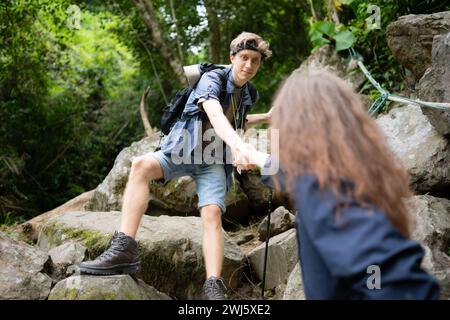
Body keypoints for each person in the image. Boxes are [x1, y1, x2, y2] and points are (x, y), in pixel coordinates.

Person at [80, 32, 273, 300]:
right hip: (183, 150)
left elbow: (236, 120)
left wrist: (266, 117)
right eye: (244, 58)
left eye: (255, 60)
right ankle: (124, 249)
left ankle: (214, 287)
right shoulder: (212, 78)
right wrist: (241, 148)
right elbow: (215, 113)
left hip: (214, 161)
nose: (249, 66)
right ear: (232, 57)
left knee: (212, 214)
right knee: (140, 166)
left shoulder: (249, 92)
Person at [251, 68, 440, 299]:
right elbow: (286, 172)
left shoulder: (327, 192)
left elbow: (394, 285)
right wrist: (254, 156)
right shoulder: (355, 175)